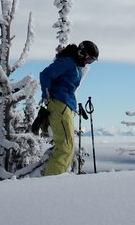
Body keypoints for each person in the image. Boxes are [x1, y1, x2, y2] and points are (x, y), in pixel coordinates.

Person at [39, 40, 99, 175]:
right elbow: (45, 74)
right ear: (81, 53)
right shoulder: (68, 62)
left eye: (91, 61)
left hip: (65, 106)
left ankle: (59, 179)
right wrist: (47, 95)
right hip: (59, 104)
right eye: (89, 59)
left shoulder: (75, 66)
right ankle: (51, 183)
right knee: (64, 147)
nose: (88, 62)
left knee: (68, 147)